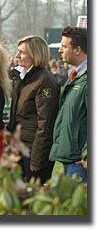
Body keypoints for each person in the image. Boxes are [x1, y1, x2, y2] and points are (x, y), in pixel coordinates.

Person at [7, 35, 60, 185]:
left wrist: (37, 159)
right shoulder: (22, 77)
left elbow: (46, 123)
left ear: (35, 54)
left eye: (22, 52)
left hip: (32, 152)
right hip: (19, 148)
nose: (17, 56)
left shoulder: (44, 81)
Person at [49, 26, 87, 183]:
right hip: (71, 157)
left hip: (80, 161)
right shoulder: (76, 76)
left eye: (64, 46)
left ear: (77, 49)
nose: (60, 51)